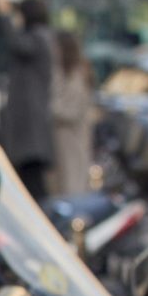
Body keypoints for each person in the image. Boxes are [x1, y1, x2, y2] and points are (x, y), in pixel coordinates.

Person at [0, 0, 56, 202]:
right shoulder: (40, 36)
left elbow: (18, 44)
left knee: (33, 184)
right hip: (27, 125)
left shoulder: (38, 37)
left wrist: (4, 17)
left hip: (30, 125)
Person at [50, 29, 97, 199]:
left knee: (73, 182)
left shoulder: (76, 74)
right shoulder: (64, 71)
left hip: (71, 138)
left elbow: (70, 110)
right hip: (64, 138)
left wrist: (48, 108)